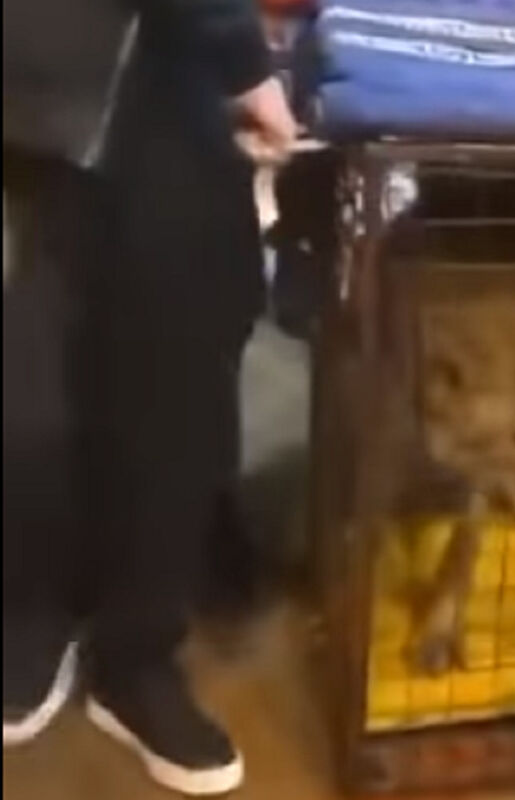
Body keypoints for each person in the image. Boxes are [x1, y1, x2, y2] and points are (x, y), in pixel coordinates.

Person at [3, 0, 297, 795]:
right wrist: (246, 67)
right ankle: (55, 629)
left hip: (134, 79)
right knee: (59, 363)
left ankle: (119, 650)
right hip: (94, 75)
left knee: (159, 370)